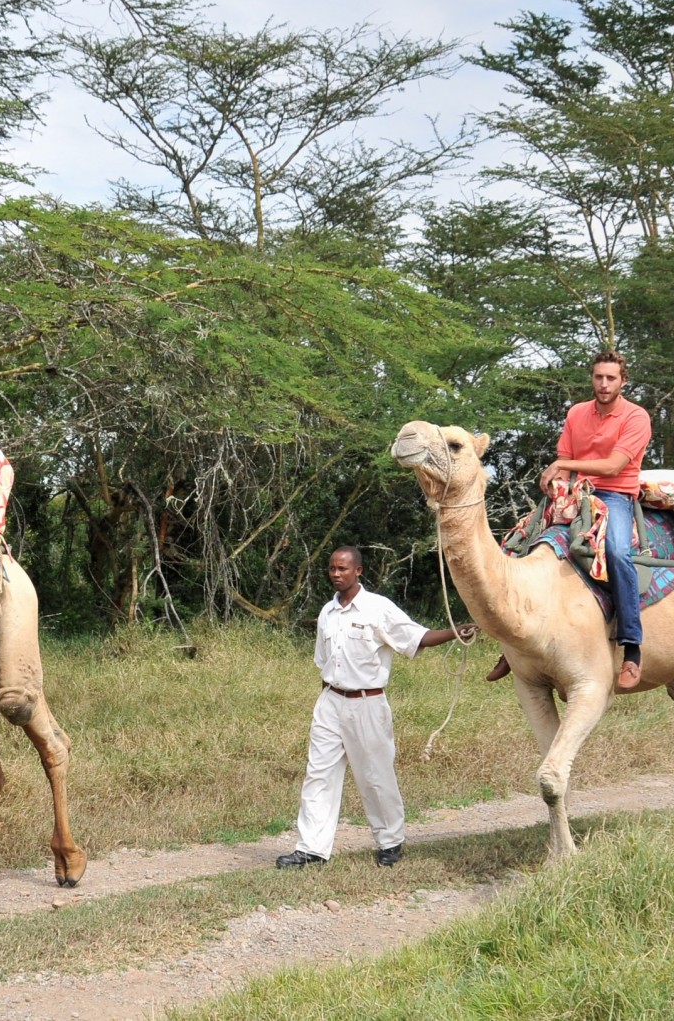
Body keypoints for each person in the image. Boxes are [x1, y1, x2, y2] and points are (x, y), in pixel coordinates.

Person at [276, 547, 465, 870]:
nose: (336, 574)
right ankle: (312, 848)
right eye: (332, 569)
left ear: (358, 571)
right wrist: (327, 701)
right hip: (331, 702)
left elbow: (416, 637)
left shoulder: (378, 609)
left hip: (368, 703)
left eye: (343, 569)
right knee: (318, 774)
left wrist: (455, 633)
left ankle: (390, 841)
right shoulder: (327, 613)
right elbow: (325, 662)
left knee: (375, 775)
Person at [492, 348, 651, 690]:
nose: (604, 384)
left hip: (615, 494)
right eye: (599, 377)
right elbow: (565, 456)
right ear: (592, 378)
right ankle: (511, 645)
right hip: (573, 492)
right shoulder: (578, 412)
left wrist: (565, 466)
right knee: (517, 544)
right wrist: (556, 474)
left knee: (619, 553)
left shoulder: (636, 417)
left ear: (623, 381)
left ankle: (631, 647)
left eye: (611, 378)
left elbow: (612, 466)